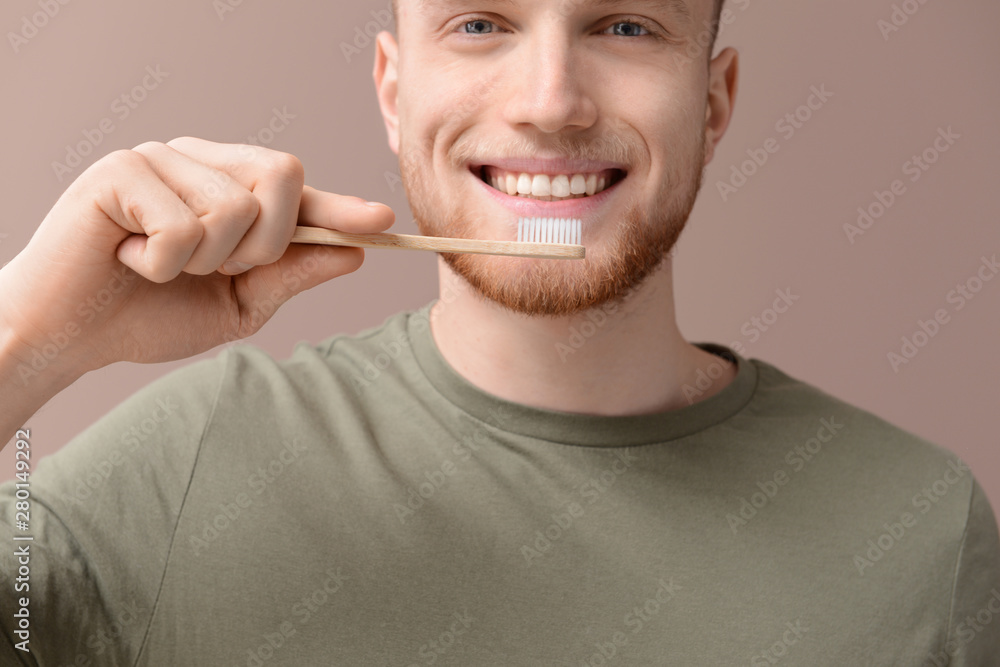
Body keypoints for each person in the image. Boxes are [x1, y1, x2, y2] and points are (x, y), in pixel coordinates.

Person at [2, 0, 998, 664]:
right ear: (395, 92)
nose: (550, 102)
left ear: (715, 99)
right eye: (480, 22)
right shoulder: (181, 471)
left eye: (625, 24)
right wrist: (25, 341)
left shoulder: (920, 527)